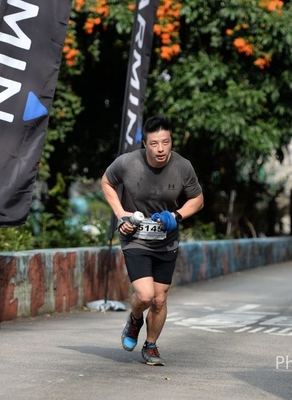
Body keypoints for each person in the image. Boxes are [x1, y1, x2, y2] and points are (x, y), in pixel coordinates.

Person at [101, 116, 204, 366]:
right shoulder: (127, 162)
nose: (160, 149)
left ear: (171, 141)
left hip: (166, 241)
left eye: (165, 142)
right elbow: (106, 182)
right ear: (145, 144)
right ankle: (135, 319)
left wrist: (176, 215)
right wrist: (121, 214)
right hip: (135, 237)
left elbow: (198, 199)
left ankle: (151, 345)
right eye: (155, 143)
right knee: (146, 296)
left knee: (159, 299)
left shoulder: (183, 166)